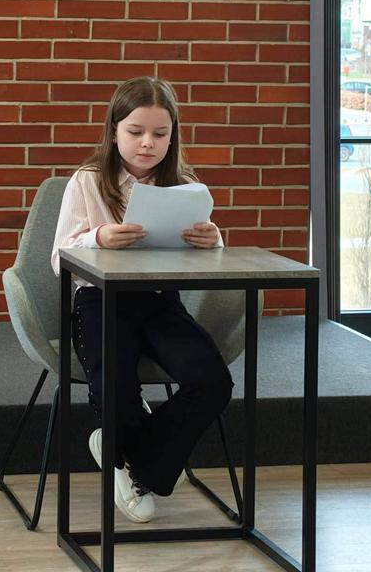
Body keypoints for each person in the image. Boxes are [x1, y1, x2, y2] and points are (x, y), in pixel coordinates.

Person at [51, 77, 233, 523]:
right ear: (114, 131)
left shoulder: (183, 184)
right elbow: (59, 257)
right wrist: (98, 237)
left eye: (160, 133)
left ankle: (130, 455)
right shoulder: (87, 181)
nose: (148, 143)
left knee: (213, 382)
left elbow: (205, 258)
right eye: (135, 132)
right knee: (115, 384)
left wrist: (212, 240)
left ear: (173, 137)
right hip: (100, 301)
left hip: (159, 302)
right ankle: (135, 453)